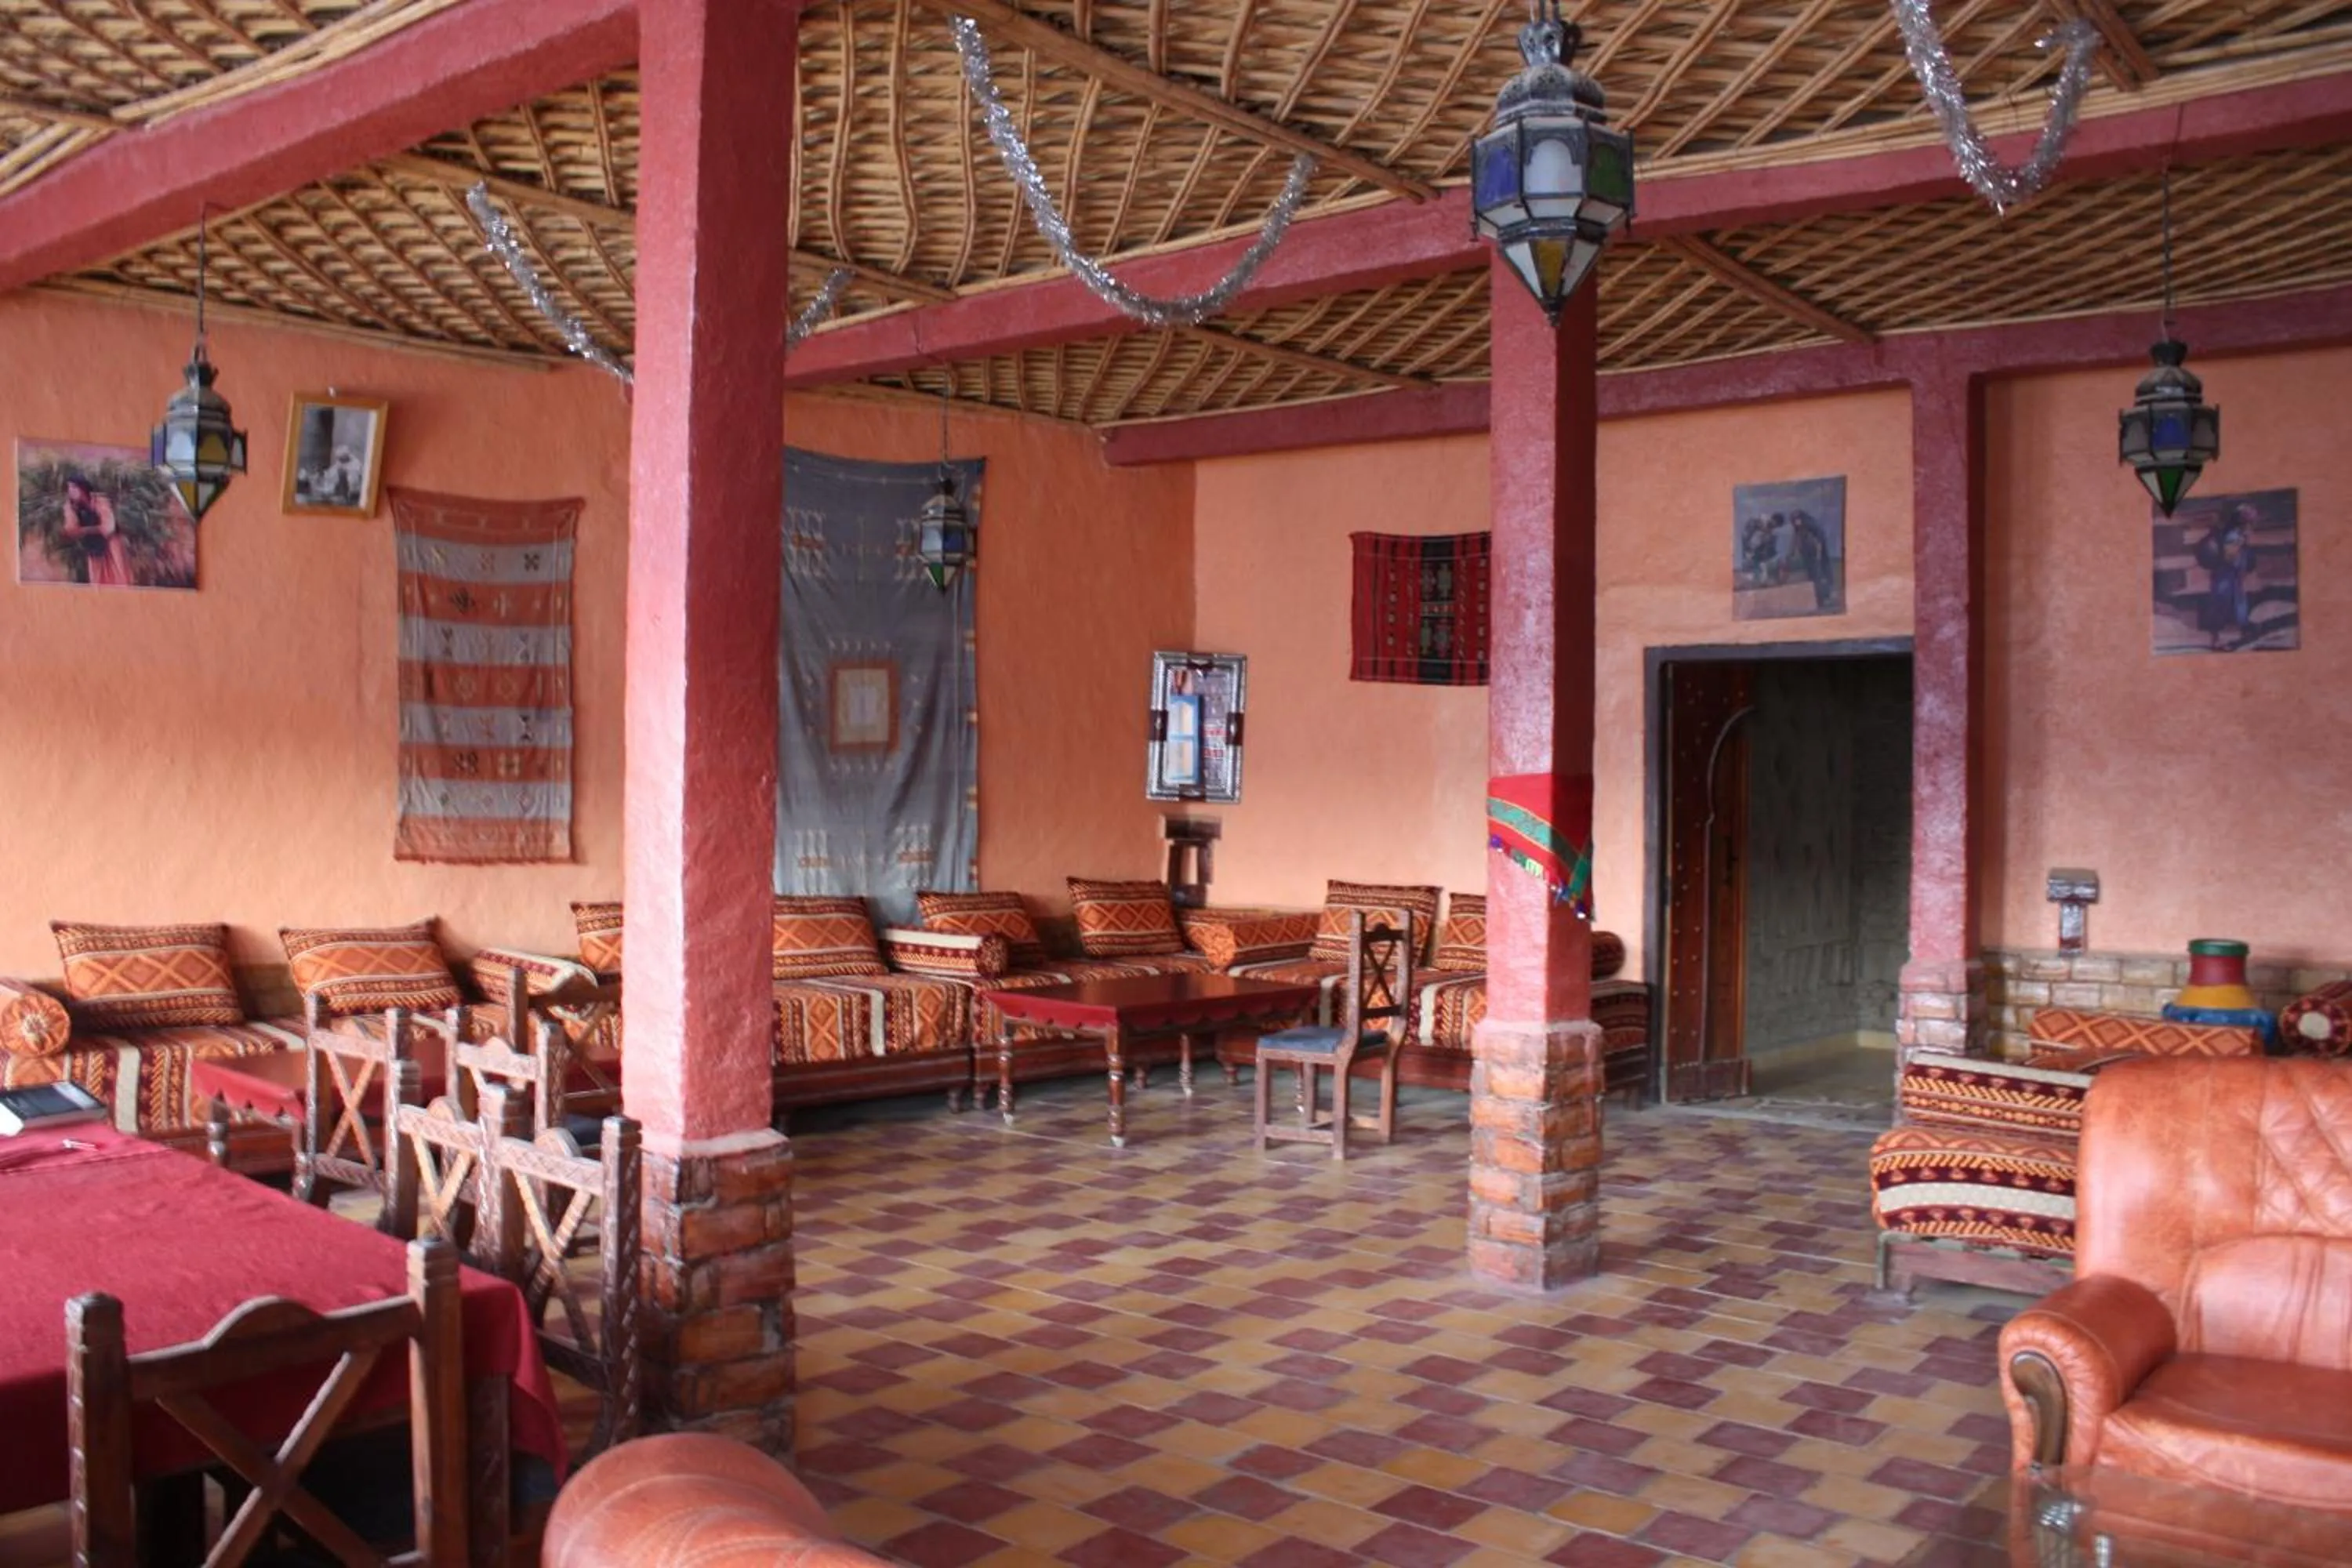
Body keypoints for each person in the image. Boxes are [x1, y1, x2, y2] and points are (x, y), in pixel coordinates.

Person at [2194, 503, 2258, 650]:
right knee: (2220, 606)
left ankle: (2241, 634)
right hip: (2225, 578)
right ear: (2244, 522)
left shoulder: (2235, 535)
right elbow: (2229, 557)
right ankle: (2216, 639)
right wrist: (2241, 544)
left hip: (2233, 579)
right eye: (2250, 523)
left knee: (2238, 606)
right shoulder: (2233, 536)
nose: (2252, 527)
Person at [56, 473, 131, 586]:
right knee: (97, 581)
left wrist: (83, 530)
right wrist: (92, 530)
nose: (70, 491)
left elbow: (108, 528)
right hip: (93, 547)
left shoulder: (100, 501)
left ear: (83, 489)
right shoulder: (70, 506)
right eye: (69, 488)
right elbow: (71, 530)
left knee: (117, 579)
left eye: (74, 487)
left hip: (111, 546)